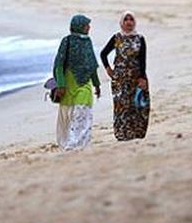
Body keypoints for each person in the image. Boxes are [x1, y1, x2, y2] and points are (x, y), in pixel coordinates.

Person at [53, 15, 101, 151]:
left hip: (85, 85)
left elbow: (92, 65)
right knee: (67, 117)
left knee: (82, 115)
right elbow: (59, 65)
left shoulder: (88, 42)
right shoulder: (66, 41)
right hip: (67, 87)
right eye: (87, 25)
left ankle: (77, 146)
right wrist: (61, 85)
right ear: (79, 26)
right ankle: (67, 145)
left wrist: (97, 84)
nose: (89, 28)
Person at [100, 10, 150, 141]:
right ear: (122, 22)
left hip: (136, 77)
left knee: (138, 106)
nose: (129, 22)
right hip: (120, 80)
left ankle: (137, 133)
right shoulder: (117, 38)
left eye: (131, 19)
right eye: (126, 19)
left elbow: (142, 60)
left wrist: (142, 78)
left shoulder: (140, 39)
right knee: (121, 107)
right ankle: (122, 134)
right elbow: (103, 53)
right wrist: (108, 69)